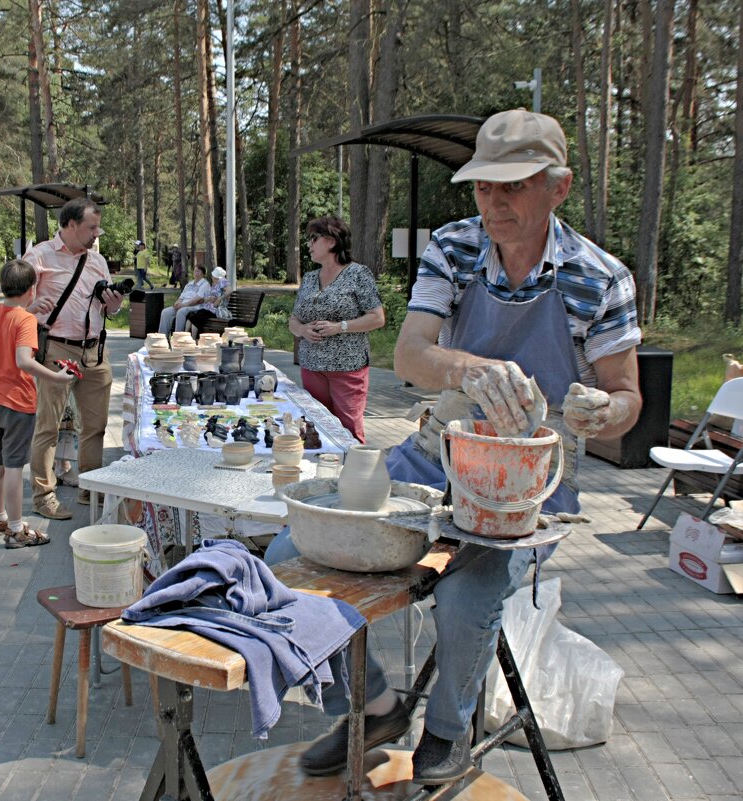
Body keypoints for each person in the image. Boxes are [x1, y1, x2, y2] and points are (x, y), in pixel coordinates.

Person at [271, 110, 643, 783]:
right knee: (286, 553)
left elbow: (627, 398)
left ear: (558, 187)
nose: (493, 204)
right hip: (435, 450)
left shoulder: (599, 277)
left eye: (513, 188)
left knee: (464, 598)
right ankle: (370, 704)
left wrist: (600, 409)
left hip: (530, 479)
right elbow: (412, 354)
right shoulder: (455, 246)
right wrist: (471, 371)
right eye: (482, 188)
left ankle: (445, 730)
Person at [0, 259, 75, 547]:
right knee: (13, 468)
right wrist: (57, 378)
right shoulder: (25, 321)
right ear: (31, 290)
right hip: (16, 403)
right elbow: (24, 361)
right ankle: (16, 528)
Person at [22, 197, 126, 520]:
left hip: (94, 351)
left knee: (96, 426)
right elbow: (15, 301)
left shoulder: (97, 260)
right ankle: (44, 496)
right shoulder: (39, 256)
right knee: (48, 426)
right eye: (91, 227)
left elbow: (110, 309)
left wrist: (115, 302)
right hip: (56, 349)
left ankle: (90, 487)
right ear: (70, 225)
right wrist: (29, 311)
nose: (97, 233)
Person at [288, 216, 385, 443]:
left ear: (331, 241)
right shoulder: (310, 278)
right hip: (311, 367)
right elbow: (293, 320)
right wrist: (302, 330)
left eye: (314, 238)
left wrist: (339, 327)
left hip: (347, 368)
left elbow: (377, 318)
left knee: (348, 431)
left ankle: (353, 476)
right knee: (317, 429)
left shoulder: (358, 274)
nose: (308, 245)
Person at [158, 264, 211, 335]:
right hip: (183, 305)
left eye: (199, 272)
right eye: (195, 271)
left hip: (195, 307)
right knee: (165, 312)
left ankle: (178, 337)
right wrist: (176, 304)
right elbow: (181, 297)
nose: (196, 273)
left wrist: (182, 305)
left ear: (203, 274)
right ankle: (162, 337)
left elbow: (197, 300)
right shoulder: (189, 284)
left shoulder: (205, 284)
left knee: (181, 312)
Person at [185, 265, 230, 339]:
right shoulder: (214, 285)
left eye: (213, 276)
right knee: (191, 314)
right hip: (208, 308)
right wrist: (209, 299)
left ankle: (193, 339)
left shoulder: (222, 282)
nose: (212, 277)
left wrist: (219, 299)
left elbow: (229, 291)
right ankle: (185, 336)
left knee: (197, 317)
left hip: (214, 311)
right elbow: (208, 299)